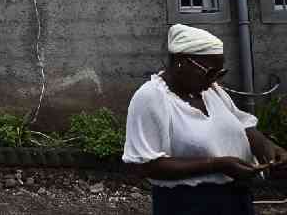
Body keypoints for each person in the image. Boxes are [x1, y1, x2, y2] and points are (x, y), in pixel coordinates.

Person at [123, 24, 287, 214]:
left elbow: (244, 127)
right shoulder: (151, 98)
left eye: (220, 73)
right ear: (181, 62)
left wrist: (270, 150)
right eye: (210, 72)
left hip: (236, 200)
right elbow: (144, 166)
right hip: (188, 204)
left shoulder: (212, 92)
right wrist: (217, 165)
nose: (214, 80)